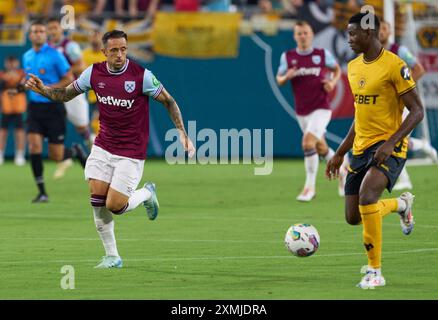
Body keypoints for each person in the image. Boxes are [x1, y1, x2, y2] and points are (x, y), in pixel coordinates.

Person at [25, 30, 196, 268]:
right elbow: (65, 94)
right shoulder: (93, 73)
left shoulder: (141, 76)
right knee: (96, 200)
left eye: (123, 49)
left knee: (115, 206)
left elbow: (168, 100)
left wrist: (182, 133)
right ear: (104, 52)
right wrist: (43, 89)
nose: (119, 55)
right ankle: (112, 256)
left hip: (131, 150)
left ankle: (147, 193)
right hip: (104, 145)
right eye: (114, 50)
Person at [326, 12, 424, 289]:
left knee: (368, 197)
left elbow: (417, 111)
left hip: (389, 147)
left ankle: (374, 271)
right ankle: (401, 205)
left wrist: (391, 142)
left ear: (370, 34)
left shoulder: (395, 66)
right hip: (361, 148)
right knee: (353, 217)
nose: (349, 39)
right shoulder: (353, 67)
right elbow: (360, 116)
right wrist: (340, 152)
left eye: (353, 34)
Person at [276, 20, 341, 202]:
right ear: (295, 36)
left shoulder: (321, 55)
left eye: (305, 33)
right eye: (299, 33)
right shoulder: (288, 57)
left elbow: (336, 70)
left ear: (311, 34)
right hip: (302, 112)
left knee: (307, 143)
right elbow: (279, 78)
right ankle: (344, 170)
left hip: (321, 108)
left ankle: (309, 187)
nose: (303, 36)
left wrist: (332, 83)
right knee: (320, 146)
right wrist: (286, 77)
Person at [379, 20, 437, 190]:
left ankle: (403, 179)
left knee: (393, 138)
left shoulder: (400, 50)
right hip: (386, 104)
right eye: (378, 29)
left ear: (390, 32)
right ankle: (422, 146)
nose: (381, 32)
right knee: (394, 139)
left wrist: (401, 87)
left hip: (404, 103)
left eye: (384, 28)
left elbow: (419, 69)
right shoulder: (373, 53)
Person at [22, 20, 74, 203]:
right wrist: (21, 87)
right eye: (34, 31)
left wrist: (47, 89)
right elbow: (26, 79)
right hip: (35, 108)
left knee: (56, 155)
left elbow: (69, 78)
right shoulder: (27, 56)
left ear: (46, 35)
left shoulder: (55, 55)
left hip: (54, 107)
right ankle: (42, 192)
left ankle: (74, 151)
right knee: (34, 146)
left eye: (41, 31)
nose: (37, 34)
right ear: (30, 36)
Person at [47, 17, 90, 179]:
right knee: (51, 126)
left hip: (71, 92)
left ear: (60, 29)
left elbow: (81, 66)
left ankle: (95, 154)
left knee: (82, 127)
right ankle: (64, 159)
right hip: (54, 92)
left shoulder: (70, 46)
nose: (52, 31)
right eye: (49, 28)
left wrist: (65, 70)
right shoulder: (46, 48)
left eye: (54, 28)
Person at [0, 56, 27, 166]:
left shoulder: (22, 74)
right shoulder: (2, 74)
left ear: (17, 63)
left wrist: (15, 78)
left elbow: (24, 87)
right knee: (3, 131)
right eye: (9, 62)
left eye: (13, 62)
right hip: (6, 107)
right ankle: (0, 154)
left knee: (19, 131)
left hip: (19, 107)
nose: (11, 65)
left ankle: (20, 155)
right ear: (6, 64)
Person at [82, 29, 107, 143]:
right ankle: (95, 143)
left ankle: (100, 143)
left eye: (97, 36)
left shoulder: (107, 54)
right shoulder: (84, 54)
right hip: (87, 95)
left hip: (104, 95)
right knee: (87, 123)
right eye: (93, 36)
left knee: (97, 121)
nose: (95, 38)